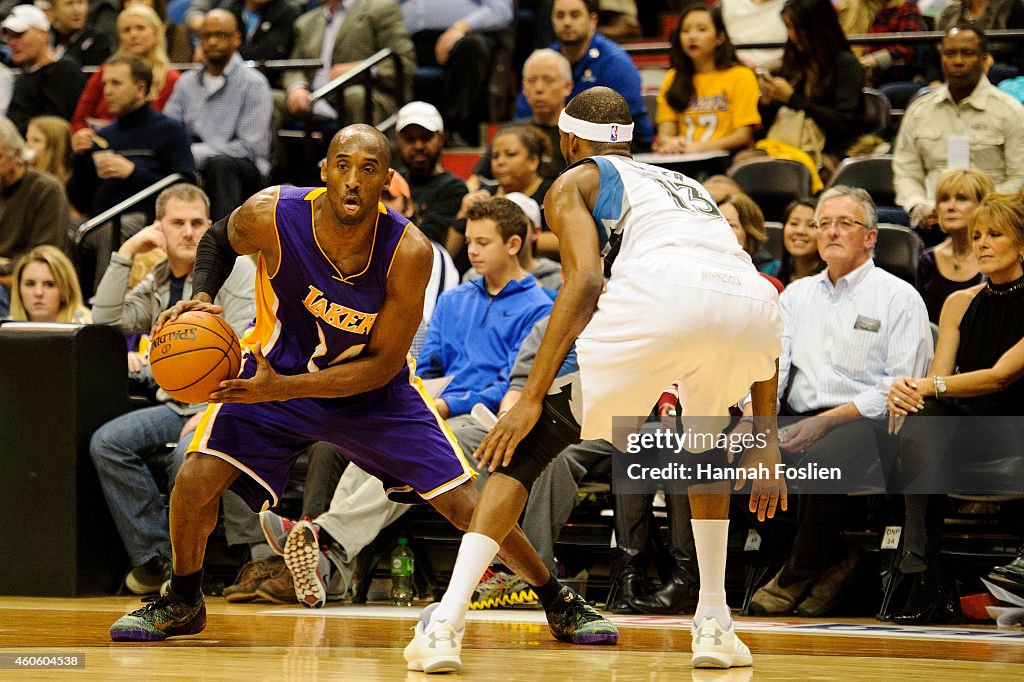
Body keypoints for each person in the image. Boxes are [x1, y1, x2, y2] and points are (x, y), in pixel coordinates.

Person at [108, 124, 610, 651]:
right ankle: (185, 598)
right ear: (324, 172)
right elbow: (217, 239)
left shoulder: (408, 251)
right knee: (195, 475)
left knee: (467, 504)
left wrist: (282, 390)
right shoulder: (273, 213)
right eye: (342, 166)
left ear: (386, 179)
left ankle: (556, 597)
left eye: (368, 170)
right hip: (276, 371)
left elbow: (382, 365)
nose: (353, 181)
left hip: (373, 395)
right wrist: (204, 297)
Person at [405, 86, 786, 672]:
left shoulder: (575, 180)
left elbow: (582, 283)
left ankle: (447, 623)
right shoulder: (690, 189)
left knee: (522, 450)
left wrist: (531, 397)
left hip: (665, 299)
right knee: (708, 443)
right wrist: (765, 440)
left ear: (569, 140)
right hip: (753, 308)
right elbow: (751, 308)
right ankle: (714, 623)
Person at [746, 186, 933, 618]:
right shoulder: (795, 295)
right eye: (823, 223)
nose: (831, 231)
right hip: (798, 417)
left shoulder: (899, 296)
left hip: (874, 424)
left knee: (822, 451)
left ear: (870, 236)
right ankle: (837, 557)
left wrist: (825, 422)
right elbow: (775, 369)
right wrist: (754, 421)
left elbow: (902, 386)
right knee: (728, 452)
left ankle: (798, 570)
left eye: (844, 223)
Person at [89, 183, 256, 596]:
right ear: (159, 229)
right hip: (174, 405)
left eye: (198, 223)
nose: (188, 232)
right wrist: (126, 254)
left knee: (191, 454)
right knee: (107, 443)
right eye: (177, 223)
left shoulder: (239, 275)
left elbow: (252, 353)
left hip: (227, 404)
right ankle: (157, 560)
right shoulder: (161, 279)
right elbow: (104, 321)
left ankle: (192, 574)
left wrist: (211, 413)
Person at [887, 192, 1024, 624]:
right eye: (977, 234)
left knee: (925, 414)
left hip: (1015, 424)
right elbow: (938, 382)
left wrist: (929, 384)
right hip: (969, 425)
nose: (981, 243)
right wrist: (908, 391)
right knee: (919, 414)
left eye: (995, 235)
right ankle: (922, 567)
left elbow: (1002, 375)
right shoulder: (958, 302)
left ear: (1021, 244)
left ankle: (922, 572)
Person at [418, 197, 553, 421]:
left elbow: (513, 384)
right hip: (434, 407)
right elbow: (426, 368)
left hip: (484, 415)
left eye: (482, 242)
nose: (471, 251)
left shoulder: (539, 309)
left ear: (513, 245)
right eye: (469, 241)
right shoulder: (452, 299)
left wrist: (448, 405)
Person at [893, 25, 1024, 235]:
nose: (958, 61)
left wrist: (981, 208)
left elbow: (1020, 178)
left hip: (992, 222)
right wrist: (918, 205)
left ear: (984, 60)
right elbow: (906, 172)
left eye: (967, 53)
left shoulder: (1010, 112)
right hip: (930, 218)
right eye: (950, 54)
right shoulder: (920, 110)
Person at [163, 10, 272, 222]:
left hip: (243, 170)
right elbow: (169, 132)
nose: (212, 41)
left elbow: (251, 147)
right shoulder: (186, 83)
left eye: (220, 35)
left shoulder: (254, 83)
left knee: (221, 164)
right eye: (206, 36)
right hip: (194, 162)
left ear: (236, 38)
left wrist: (196, 153)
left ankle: (224, 244)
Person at [518, 0, 654, 151]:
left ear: (592, 20)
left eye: (575, 15)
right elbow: (523, 120)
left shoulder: (615, 63)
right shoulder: (543, 62)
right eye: (560, 15)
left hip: (621, 150)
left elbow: (625, 126)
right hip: (558, 148)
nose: (567, 22)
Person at [757, 0, 867, 167]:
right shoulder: (793, 62)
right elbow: (771, 124)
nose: (792, 36)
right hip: (786, 144)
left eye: (798, 29)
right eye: (788, 27)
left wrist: (792, 99)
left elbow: (842, 124)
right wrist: (766, 101)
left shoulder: (846, 65)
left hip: (831, 149)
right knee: (745, 162)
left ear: (817, 28)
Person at [282, 0, 416, 129]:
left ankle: (362, 151)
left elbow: (404, 62)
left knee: (355, 97)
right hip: (314, 98)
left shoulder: (382, 8)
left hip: (365, 94)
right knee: (271, 99)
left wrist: (363, 69)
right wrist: (297, 87)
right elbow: (294, 67)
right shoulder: (305, 22)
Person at [397, 0, 515, 147]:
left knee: (473, 47)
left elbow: (501, 11)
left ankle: (456, 129)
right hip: (405, 39)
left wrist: (462, 27)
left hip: (464, 36)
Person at [654, 6, 760, 157]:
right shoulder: (673, 77)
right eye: (685, 31)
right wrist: (671, 143)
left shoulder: (741, 75)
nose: (692, 36)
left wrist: (699, 148)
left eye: (702, 29)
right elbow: (665, 134)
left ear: (720, 38)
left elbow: (743, 136)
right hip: (683, 157)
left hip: (726, 157)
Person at [467, 48, 573, 192]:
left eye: (548, 80)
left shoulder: (576, 135)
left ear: (567, 86)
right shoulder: (511, 133)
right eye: (532, 80)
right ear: (524, 88)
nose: (539, 89)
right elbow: (475, 181)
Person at [448, 124, 556, 263]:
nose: (500, 162)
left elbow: (563, 242)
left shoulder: (552, 195)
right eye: (495, 156)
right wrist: (463, 215)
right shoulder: (485, 195)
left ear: (533, 161)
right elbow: (449, 252)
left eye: (510, 154)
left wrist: (500, 237)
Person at [70, 4, 181, 132]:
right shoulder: (105, 71)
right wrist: (82, 134)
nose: (133, 35)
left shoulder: (172, 78)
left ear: (156, 33)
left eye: (140, 28)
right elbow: (79, 120)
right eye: (126, 30)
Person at [915, 168, 994, 322]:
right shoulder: (928, 260)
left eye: (962, 198)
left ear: (982, 205)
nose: (950, 206)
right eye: (944, 199)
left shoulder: (994, 256)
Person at [3, 4, 88, 134]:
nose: (12, 42)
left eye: (19, 35)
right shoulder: (22, 79)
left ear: (44, 34)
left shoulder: (65, 71)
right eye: (9, 36)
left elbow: (56, 130)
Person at [393, 101, 469, 246]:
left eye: (426, 137)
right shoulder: (391, 181)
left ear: (441, 138)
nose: (418, 146)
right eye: (410, 139)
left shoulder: (454, 188)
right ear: (398, 141)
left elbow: (426, 242)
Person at [6, 245, 90, 323]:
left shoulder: (86, 327)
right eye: (30, 284)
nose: (38, 293)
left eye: (49, 285)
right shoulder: (5, 329)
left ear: (66, 289)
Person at [718, 192, 779, 275]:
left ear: (749, 234)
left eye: (730, 225)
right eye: (716, 223)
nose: (719, 229)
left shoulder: (767, 280)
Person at [46, 0, 116, 67]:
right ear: (53, 9)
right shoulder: (44, 37)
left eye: (80, 2)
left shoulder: (98, 39)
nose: (77, 10)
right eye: (69, 3)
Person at [775, 198, 822, 286]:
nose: (800, 231)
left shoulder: (833, 279)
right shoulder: (771, 272)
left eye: (811, 225)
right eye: (794, 223)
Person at [25, 116, 73, 184]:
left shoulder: (68, 185)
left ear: (55, 147)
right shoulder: (23, 175)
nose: (28, 145)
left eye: (36, 140)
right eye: (27, 139)